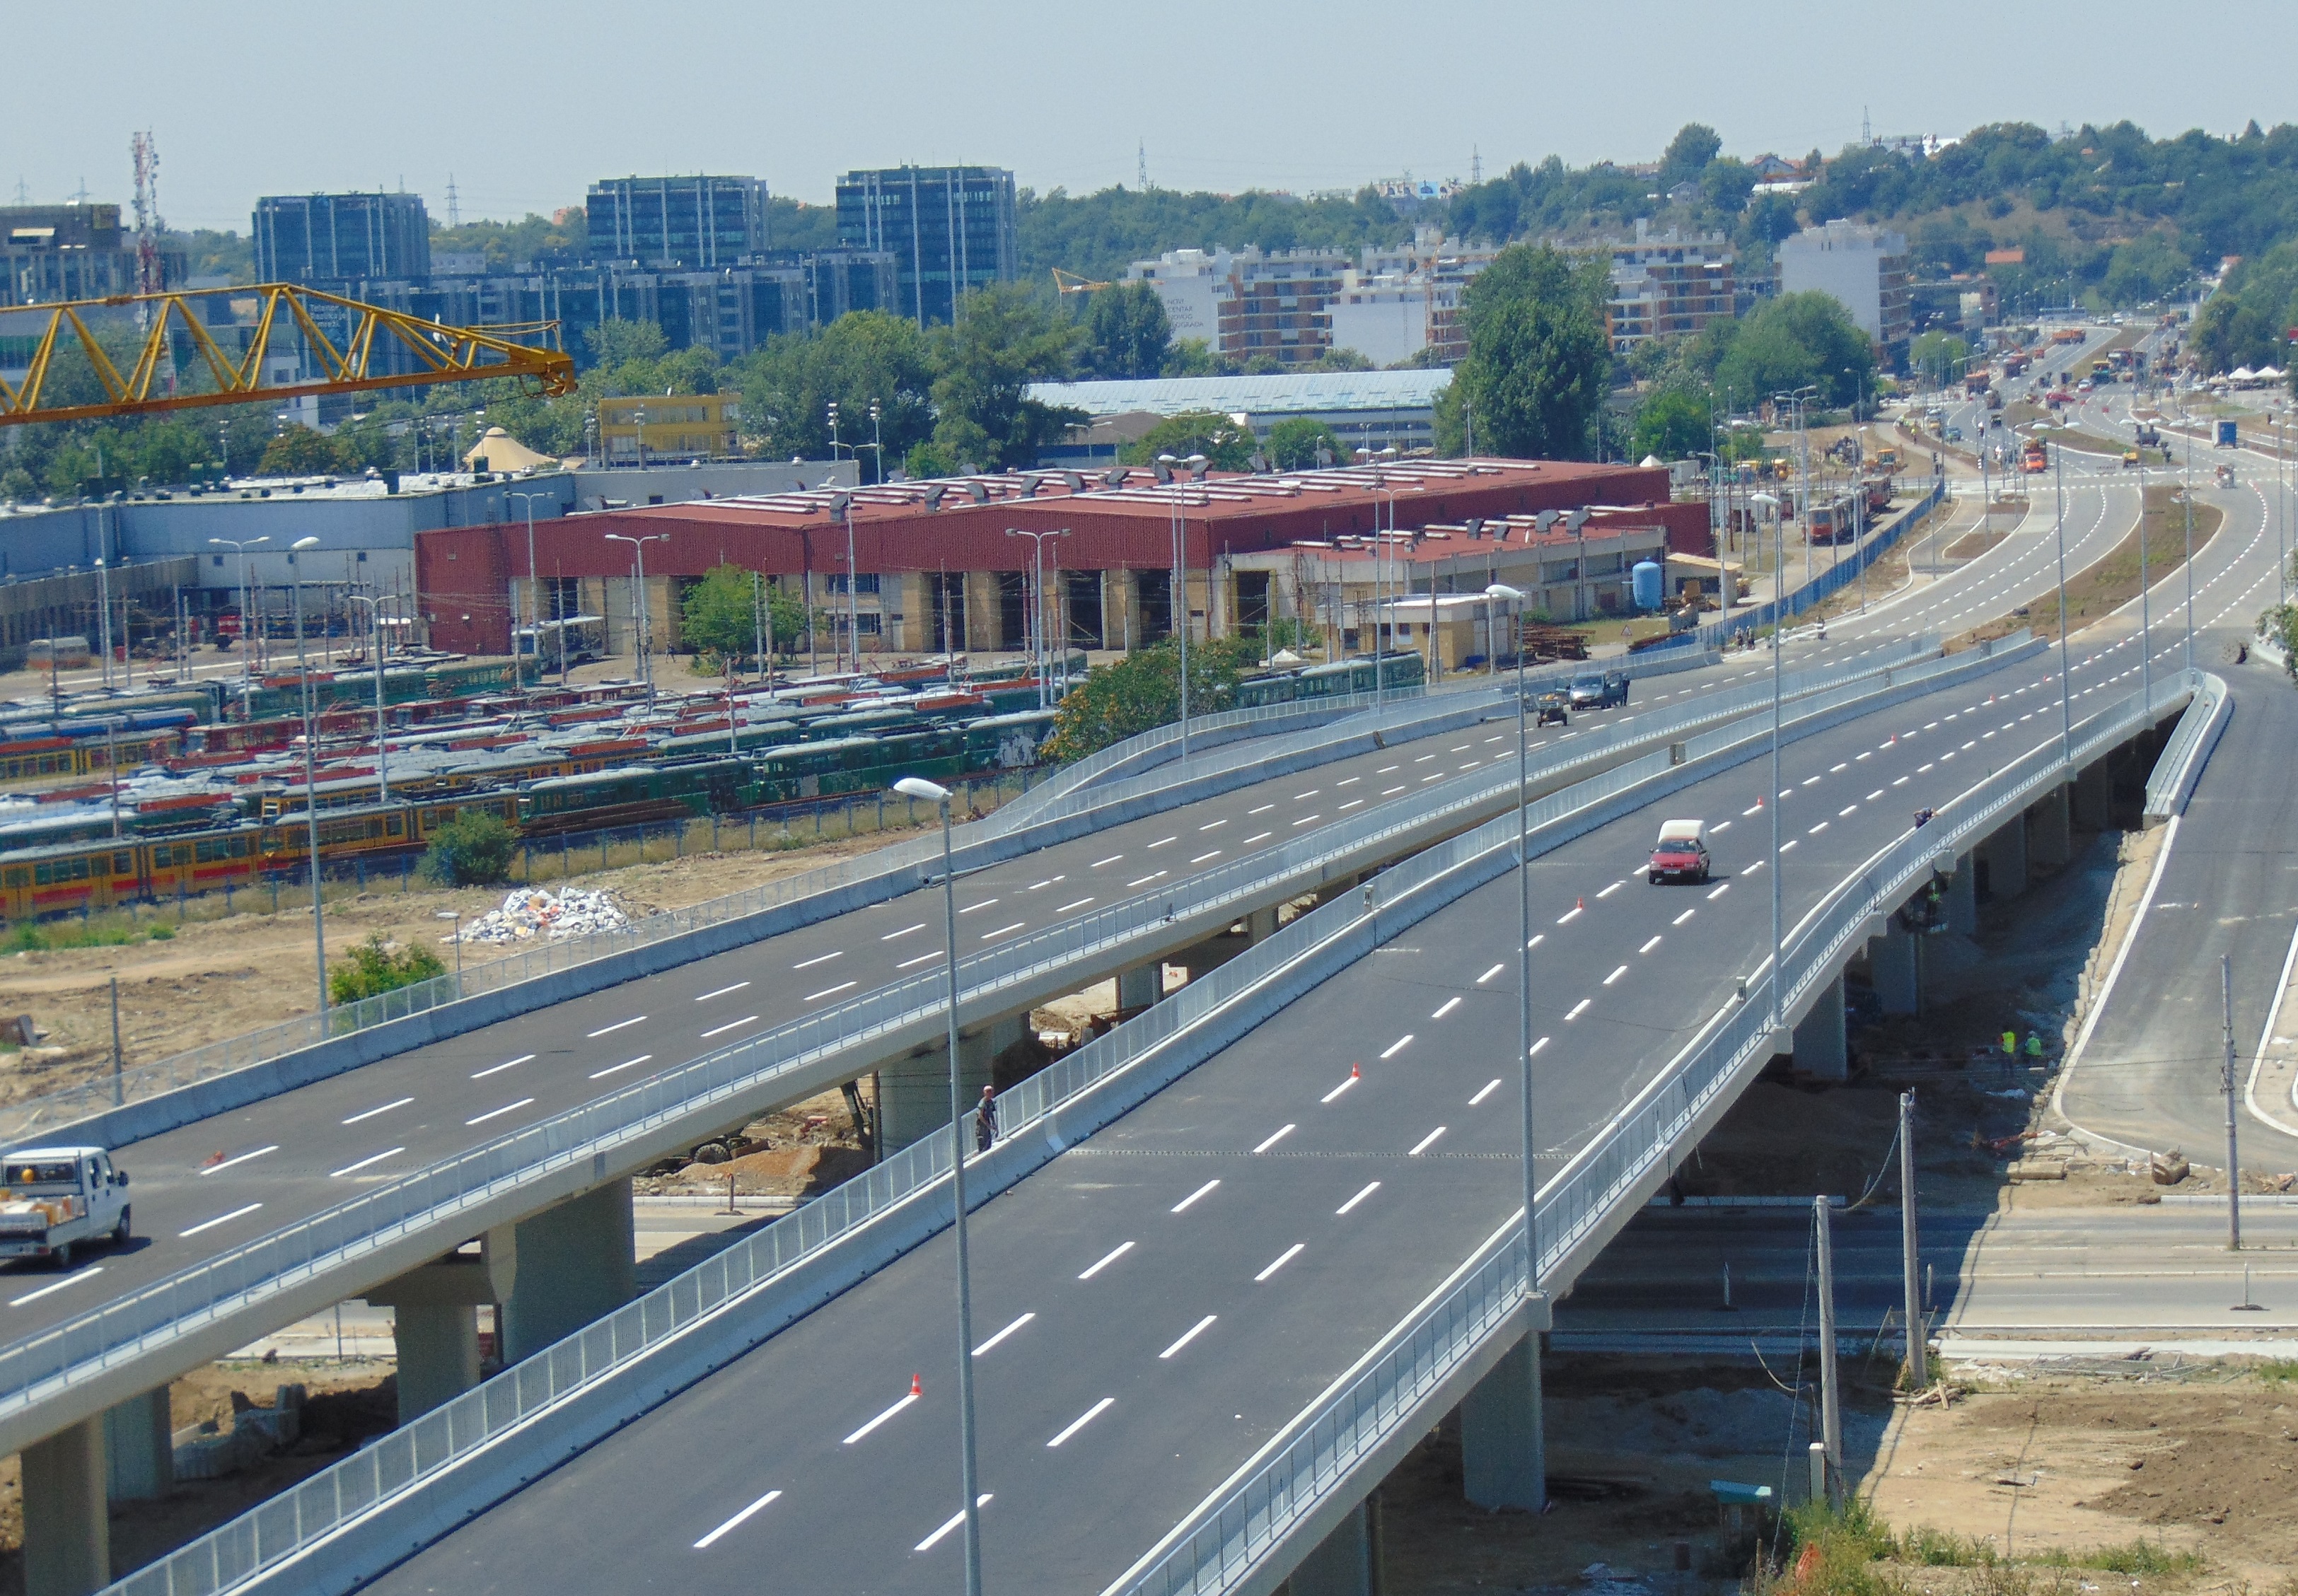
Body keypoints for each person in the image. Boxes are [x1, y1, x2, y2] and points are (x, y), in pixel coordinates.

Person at [974, 1083, 998, 1154]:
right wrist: (988, 1125)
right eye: (988, 1091)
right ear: (985, 1093)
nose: (991, 1093)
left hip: (987, 1123)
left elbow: (991, 1114)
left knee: (988, 1143)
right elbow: (980, 1116)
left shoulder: (991, 1102)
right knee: (982, 1142)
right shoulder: (983, 1103)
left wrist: (994, 1124)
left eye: (991, 1091)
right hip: (981, 1125)